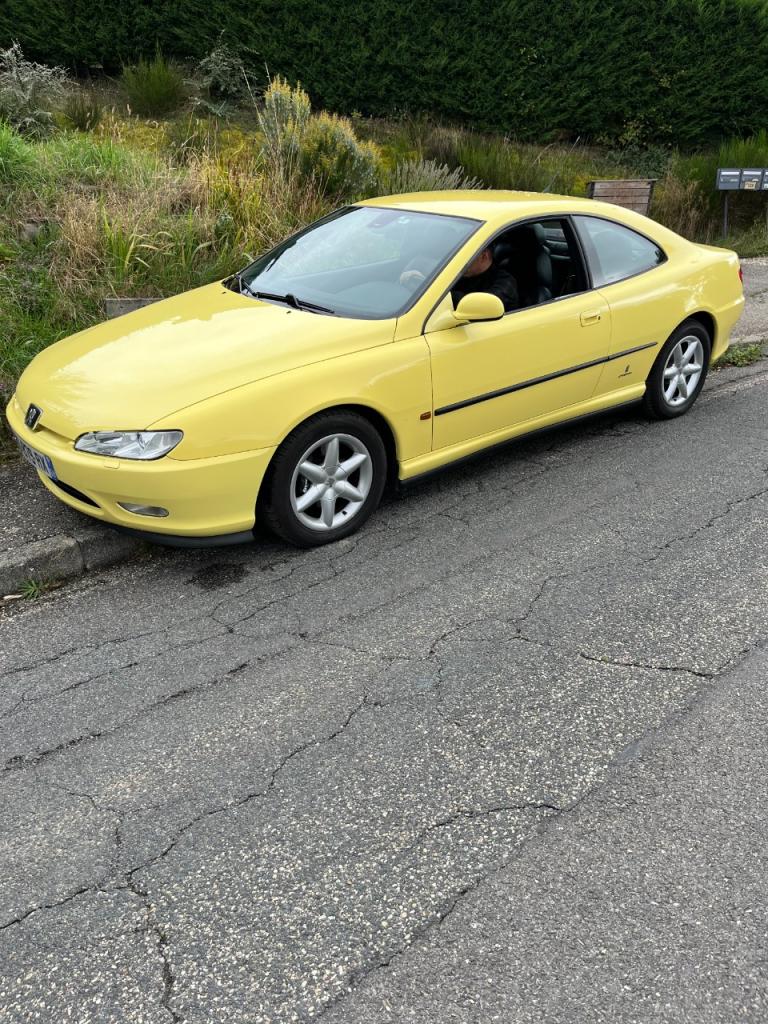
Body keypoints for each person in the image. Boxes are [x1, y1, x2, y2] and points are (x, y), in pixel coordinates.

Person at [450, 246, 518, 312]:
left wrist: (449, 297)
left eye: (466, 258)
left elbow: (484, 305)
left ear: (484, 257)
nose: (461, 263)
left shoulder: (505, 281)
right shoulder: (464, 275)